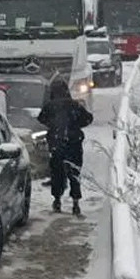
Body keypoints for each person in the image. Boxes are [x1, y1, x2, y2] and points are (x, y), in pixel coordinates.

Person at [37, 78, 95, 215]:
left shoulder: (49, 106)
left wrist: (54, 126)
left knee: (57, 172)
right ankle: (75, 201)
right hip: (73, 143)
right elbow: (88, 119)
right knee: (74, 172)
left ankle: (57, 199)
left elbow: (41, 118)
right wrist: (75, 126)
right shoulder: (75, 105)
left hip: (57, 144)